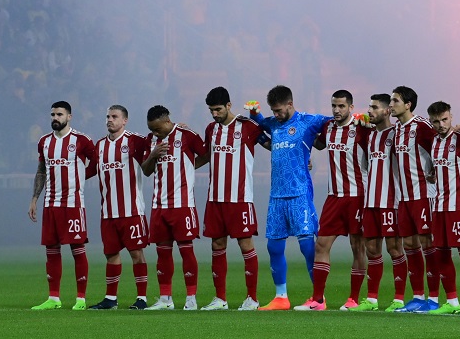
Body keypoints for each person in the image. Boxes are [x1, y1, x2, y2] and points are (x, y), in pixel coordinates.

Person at [247, 84, 331, 310]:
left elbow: (332, 122)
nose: (276, 115)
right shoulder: (273, 123)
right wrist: (254, 113)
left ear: (290, 104)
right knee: (274, 247)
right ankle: (281, 297)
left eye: (279, 110)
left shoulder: (307, 121)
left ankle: (319, 298)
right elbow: (260, 123)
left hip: (299, 194)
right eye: (272, 111)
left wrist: (357, 121)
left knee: (307, 248)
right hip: (276, 197)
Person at [296, 90, 369, 311]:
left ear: (351, 107)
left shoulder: (361, 129)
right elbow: (316, 144)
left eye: (341, 106)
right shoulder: (328, 128)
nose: (337, 110)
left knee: (358, 248)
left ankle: (353, 299)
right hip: (334, 197)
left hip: (358, 196)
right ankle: (318, 300)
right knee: (321, 245)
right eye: (334, 106)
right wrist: (305, 158)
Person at [198, 86, 266, 311]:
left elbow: (272, 142)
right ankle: (220, 299)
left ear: (229, 105)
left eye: (218, 109)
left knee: (245, 244)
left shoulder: (247, 127)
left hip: (239, 198)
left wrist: (299, 158)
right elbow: (206, 156)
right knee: (217, 244)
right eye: (211, 110)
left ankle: (252, 298)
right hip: (215, 198)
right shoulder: (211, 129)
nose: (214, 114)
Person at [27, 101, 96, 311]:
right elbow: (41, 170)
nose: (55, 118)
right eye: (52, 115)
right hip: (50, 204)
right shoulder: (44, 142)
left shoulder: (82, 140)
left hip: (73, 204)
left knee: (77, 248)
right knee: (51, 249)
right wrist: (34, 199)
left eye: (59, 114)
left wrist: (82, 179)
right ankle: (53, 298)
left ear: (69, 117)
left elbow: (95, 163)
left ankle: (81, 299)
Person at [142, 105, 207, 310]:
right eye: (152, 130)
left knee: (186, 251)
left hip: (182, 205)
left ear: (167, 121)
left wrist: (190, 164)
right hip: (159, 205)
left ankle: (191, 298)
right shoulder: (150, 141)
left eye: (157, 129)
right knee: (162, 252)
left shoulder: (187, 135)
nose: (155, 133)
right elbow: (145, 171)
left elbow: (207, 153)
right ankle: (165, 299)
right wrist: (153, 155)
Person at [88, 105, 151, 310]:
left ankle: (142, 298)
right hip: (108, 212)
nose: (109, 120)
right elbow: (88, 171)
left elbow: (157, 140)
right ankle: (111, 299)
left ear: (125, 120)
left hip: (131, 211)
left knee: (136, 253)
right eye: (107, 116)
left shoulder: (135, 141)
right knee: (111, 254)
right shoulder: (99, 146)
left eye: (114, 117)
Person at [424, 101, 460, 315]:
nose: (441, 124)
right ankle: (452, 302)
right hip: (439, 207)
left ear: (451, 116)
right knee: (442, 255)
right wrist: (433, 176)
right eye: (436, 121)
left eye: (444, 119)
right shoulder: (434, 142)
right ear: (431, 121)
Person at [352, 93, 408, 312]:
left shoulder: (397, 134)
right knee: (372, 249)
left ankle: (399, 298)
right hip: (371, 201)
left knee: (395, 248)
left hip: (391, 201)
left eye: (374, 107)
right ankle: (372, 300)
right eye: (369, 107)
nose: (370, 111)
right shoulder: (370, 135)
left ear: (387, 111)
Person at [388, 85, 440, 312]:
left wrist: (436, 172)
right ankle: (418, 297)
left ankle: (435, 299)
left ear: (408, 104)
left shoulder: (422, 126)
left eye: (395, 101)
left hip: (423, 196)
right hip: (404, 197)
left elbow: (440, 147)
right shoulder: (397, 129)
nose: (391, 105)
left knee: (428, 243)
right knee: (409, 244)